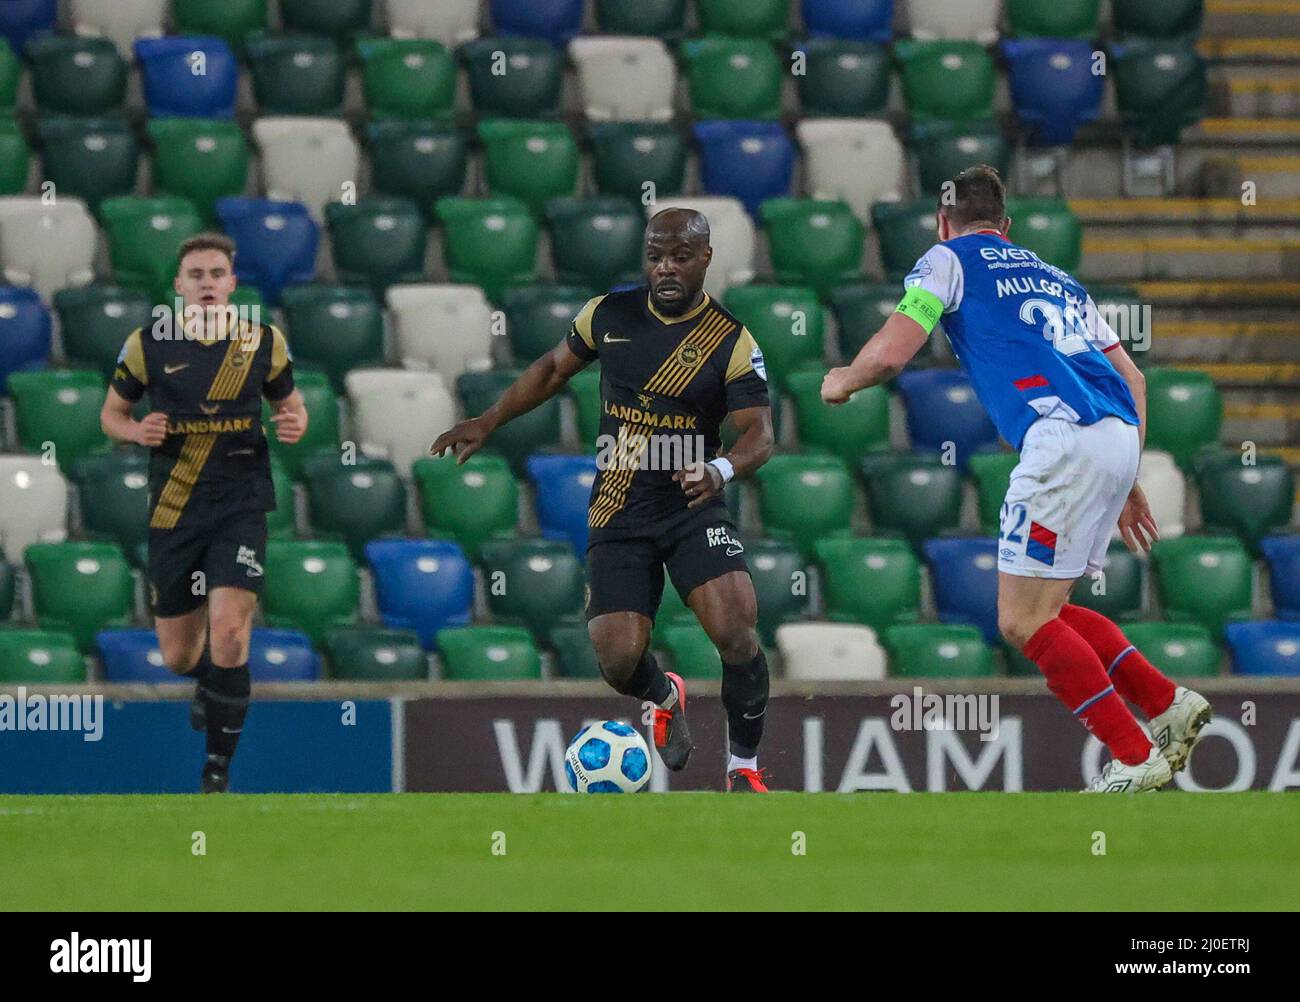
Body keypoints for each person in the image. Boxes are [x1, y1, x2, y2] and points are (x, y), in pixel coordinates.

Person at [822, 165, 1211, 793]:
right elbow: (1134, 382)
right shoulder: (1060, 279)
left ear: (943, 222)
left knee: (1019, 622)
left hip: (1058, 441)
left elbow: (895, 351)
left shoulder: (945, 261)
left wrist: (843, 379)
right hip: (1115, 435)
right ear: (1005, 227)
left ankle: (1136, 755)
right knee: (1050, 608)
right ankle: (1167, 703)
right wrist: (1125, 476)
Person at [432, 208, 777, 791]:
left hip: (691, 504)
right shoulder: (608, 313)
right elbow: (549, 371)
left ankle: (742, 769)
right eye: (655, 255)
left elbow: (759, 434)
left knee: (737, 628)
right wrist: (488, 420)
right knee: (617, 662)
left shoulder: (730, 340)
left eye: (680, 256)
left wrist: (719, 469)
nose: (665, 268)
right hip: (618, 507)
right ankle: (664, 694)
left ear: (706, 259)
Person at [100, 233, 308, 793]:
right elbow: (112, 415)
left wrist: (295, 422)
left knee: (230, 633)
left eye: (217, 273)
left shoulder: (261, 342)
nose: (208, 283)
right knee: (177, 655)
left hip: (240, 504)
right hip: (175, 508)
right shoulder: (147, 346)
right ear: (179, 286)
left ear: (232, 284)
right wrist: (137, 430)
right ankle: (212, 683)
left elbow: (291, 404)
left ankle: (216, 770)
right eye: (196, 275)